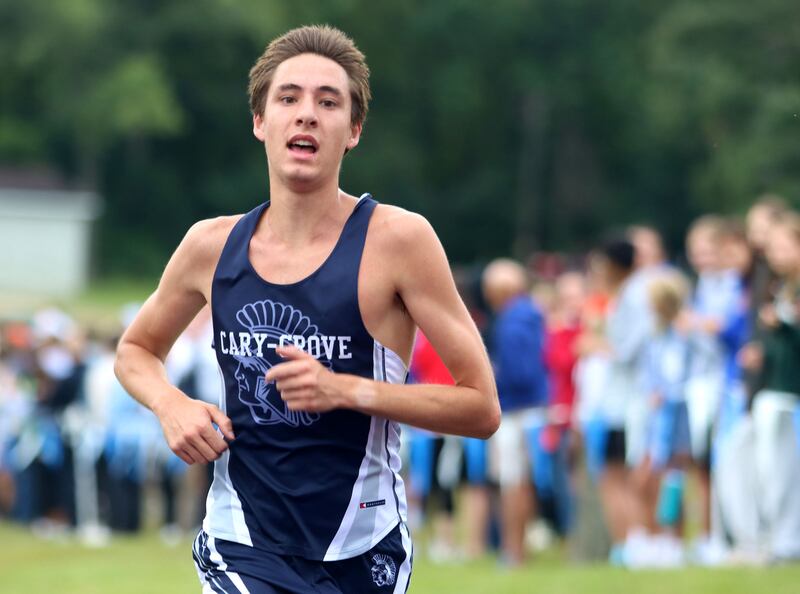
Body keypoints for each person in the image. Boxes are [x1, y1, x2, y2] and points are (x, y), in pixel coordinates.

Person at [114, 25, 499, 593]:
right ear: (259, 122)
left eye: (328, 101)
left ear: (354, 130)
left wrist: (347, 391)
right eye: (288, 98)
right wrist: (171, 405)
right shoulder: (211, 247)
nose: (307, 115)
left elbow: (481, 407)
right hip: (241, 540)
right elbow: (135, 350)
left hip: (363, 547)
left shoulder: (399, 241)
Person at [482, 258, 548, 566]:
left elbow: (519, 372)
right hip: (533, 409)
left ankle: (513, 551)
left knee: (512, 483)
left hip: (515, 411)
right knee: (522, 481)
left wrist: (491, 375)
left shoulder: (512, 321)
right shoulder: (532, 314)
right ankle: (518, 549)